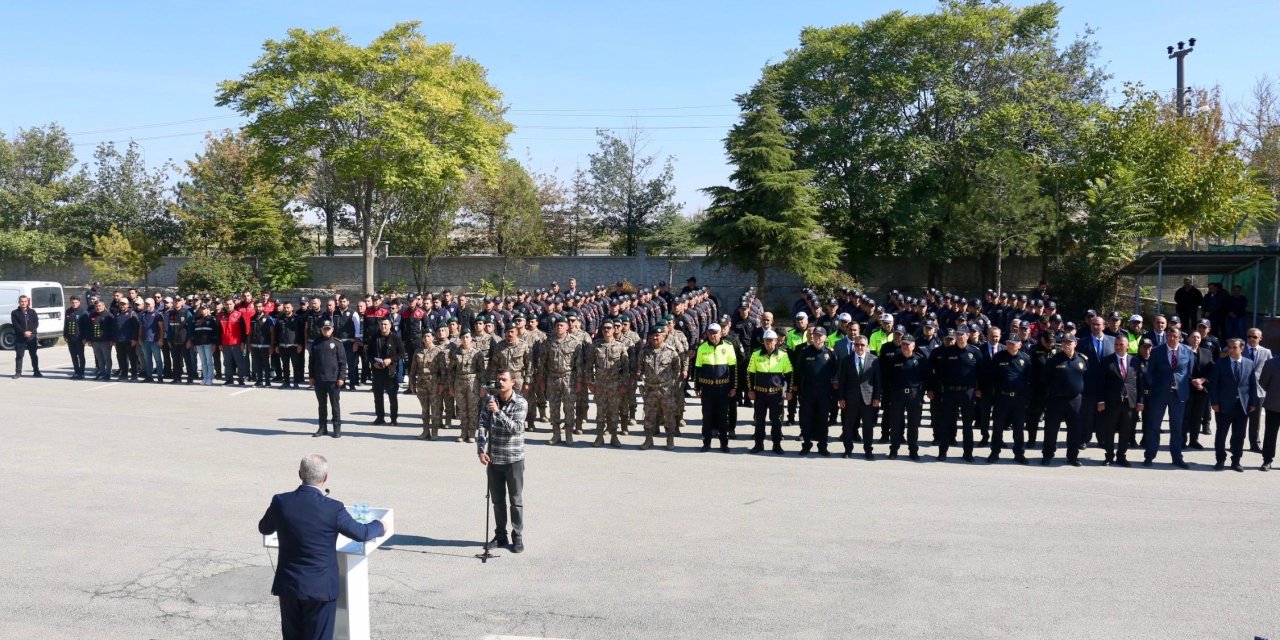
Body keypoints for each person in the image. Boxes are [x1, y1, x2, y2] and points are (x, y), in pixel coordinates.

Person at [258, 454, 385, 640]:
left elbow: (264, 528)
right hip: (320, 589)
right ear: (325, 477)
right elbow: (361, 533)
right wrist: (381, 525)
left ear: (300, 474)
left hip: (289, 586)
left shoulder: (280, 501)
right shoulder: (333, 508)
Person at [477, 370, 528, 553]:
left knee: (515, 500)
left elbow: (515, 429)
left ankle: (517, 536)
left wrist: (497, 412)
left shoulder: (520, 403)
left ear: (513, 382)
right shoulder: (490, 400)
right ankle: (500, 536)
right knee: (497, 501)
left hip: (513, 459)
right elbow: (482, 424)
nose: (500, 382)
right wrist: (481, 449)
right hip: (494, 458)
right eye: (498, 379)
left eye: (504, 379)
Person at [1143, 327, 1192, 468]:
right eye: (1168, 335)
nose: (1171, 338)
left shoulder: (1187, 351)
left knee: (1177, 427)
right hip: (1160, 394)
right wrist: (1157, 386)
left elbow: (1188, 372)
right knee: (1154, 425)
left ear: (1179, 337)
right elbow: (1150, 372)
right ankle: (1149, 456)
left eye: (1174, 336)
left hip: (1179, 394)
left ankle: (1177, 457)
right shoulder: (1157, 351)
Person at [1208, 338, 1259, 472]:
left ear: (1241, 348)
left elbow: (1253, 385)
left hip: (1242, 406)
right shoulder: (1220, 363)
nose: (1231, 350)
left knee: (1239, 435)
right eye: (1229, 347)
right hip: (1223, 405)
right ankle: (1220, 460)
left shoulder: (1249, 364)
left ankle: (1236, 460)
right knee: (1221, 434)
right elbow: (1214, 385)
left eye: (1234, 347)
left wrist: (1253, 402)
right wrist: (1214, 402)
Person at [1041, 335, 1087, 467]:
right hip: (1056, 400)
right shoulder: (1054, 360)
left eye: (1069, 342)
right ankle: (1048, 455)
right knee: (1051, 429)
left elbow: (1087, 377)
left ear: (1075, 343)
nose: (1066, 345)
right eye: (1064, 343)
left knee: (1075, 429)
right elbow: (1045, 379)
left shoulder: (1082, 359)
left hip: (1075, 400)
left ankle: (1072, 456)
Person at [636, 327, 684, 450]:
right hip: (650, 389)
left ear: (664, 336)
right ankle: (648, 439)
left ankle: (670, 439)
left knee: (669, 414)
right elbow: (639, 367)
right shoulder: (645, 351)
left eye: (658, 335)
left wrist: (673, 382)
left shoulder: (671, 351)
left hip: (666, 389)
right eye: (653, 335)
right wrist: (640, 375)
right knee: (649, 415)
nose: (655, 337)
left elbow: (677, 368)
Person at [747, 328, 793, 454]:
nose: (769, 343)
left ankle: (776, 445)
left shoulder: (783, 355)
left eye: (771, 341)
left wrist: (789, 390)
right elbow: (750, 373)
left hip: (776, 394)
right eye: (766, 341)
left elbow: (789, 374)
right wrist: (750, 390)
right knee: (759, 421)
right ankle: (758, 444)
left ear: (776, 341)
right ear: (763, 341)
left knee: (776, 421)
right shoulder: (756, 354)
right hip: (760, 394)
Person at [988, 335, 1032, 464]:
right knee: (998, 427)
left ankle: (1019, 454)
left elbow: (1030, 380)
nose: (1011, 345)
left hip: (1018, 399)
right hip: (1002, 398)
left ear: (1019, 344)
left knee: (1018, 428)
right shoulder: (998, 357)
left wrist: (1026, 398)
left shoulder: (1026, 359)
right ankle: (995, 452)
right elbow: (992, 377)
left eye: (1014, 343)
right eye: (1009, 343)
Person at [882, 334, 927, 460]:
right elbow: (887, 377)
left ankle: (913, 450)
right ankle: (894, 450)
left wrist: (921, 392)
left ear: (913, 346)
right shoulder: (895, 359)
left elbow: (926, 377)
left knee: (913, 425)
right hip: (897, 394)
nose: (905, 346)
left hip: (914, 395)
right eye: (903, 344)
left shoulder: (920, 360)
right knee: (895, 424)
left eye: (907, 344)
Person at [695, 322, 738, 452]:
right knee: (707, 416)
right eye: (711, 332)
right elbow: (697, 368)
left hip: (723, 387)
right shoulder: (702, 347)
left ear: (720, 334)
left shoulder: (728, 346)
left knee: (722, 417)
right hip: (707, 388)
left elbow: (733, 368)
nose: (713, 335)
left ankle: (724, 443)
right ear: (707, 333)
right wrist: (697, 387)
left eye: (715, 332)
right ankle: (706, 443)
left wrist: (733, 387)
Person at [836, 335, 880, 460]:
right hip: (850, 399)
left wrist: (877, 398)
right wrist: (841, 398)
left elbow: (878, 381)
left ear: (867, 346)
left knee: (867, 427)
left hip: (868, 399)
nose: (859, 347)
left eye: (862, 345)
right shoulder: (846, 360)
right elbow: (842, 380)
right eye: (857, 344)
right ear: (854, 345)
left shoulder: (874, 360)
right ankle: (848, 450)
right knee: (848, 426)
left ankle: (868, 451)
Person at [309, 321, 347, 438]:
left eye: (328, 329)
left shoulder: (337, 343)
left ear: (332, 329)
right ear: (321, 329)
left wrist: (341, 377)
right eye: (324, 329)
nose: (326, 331)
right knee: (322, 405)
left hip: (333, 380)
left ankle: (336, 428)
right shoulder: (316, 343)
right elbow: (311, 362)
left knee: (335, 405)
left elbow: (342, 362)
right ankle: (322, 428)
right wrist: (311, 376)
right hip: (319, 379)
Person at [409, 332, 447, 440]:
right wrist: (412, 383)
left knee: (435, 409)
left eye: (429, 336)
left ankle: (434, 432)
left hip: (434, 383)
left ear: (433, 338)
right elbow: (413, 369)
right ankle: (425, 431)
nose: (426, 338)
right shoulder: (418, 351)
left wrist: (442, 384)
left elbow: (443, 370)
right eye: (424, 336)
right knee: (424, 409)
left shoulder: (438, 351)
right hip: (421, 383)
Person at [1243, 328, 1272, 453]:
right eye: (1249, 336)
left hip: (1259, 391)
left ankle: (1255, 443)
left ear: (1260, 338)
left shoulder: (1266, 352)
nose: (1251, 339)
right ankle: (1236, 442)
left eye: (1254, 337)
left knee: (1256, 420)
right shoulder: (1240, 349)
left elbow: (1271, 370)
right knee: (1240, 419)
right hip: (1242, 391)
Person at [1256, 356, 1280, 471]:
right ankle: (1267, 460)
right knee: (1270, 434)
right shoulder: (1271, 363)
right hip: (1274, 405)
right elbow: (1263, 382)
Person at [10, 294, 41, 378]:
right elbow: (15, 324)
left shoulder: (32, 312)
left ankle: (36, 371)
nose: (23, 303)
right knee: (19, 355)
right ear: (19, 302)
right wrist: (24, 332)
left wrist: (30, 332)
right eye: (21, 301)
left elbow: (36, 323)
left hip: (32, 336)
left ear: (28, 302)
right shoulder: (14, 313)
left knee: (33, 354)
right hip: (20, 337)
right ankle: (18, 372)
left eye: (25, 301)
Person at [63, 296, 87, 379]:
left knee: (80, 355)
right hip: (70, 338)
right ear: (70, 303)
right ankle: (76, 372)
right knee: (73, 356)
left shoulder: (83, 312)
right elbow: (66, 324)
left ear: (79, 302)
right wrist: (65, 335)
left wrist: (85, 338)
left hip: (79, 338)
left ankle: (82, 372)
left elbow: (86, 327)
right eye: (72, 302)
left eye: (76, 302)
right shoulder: (68, 311)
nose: (74, 304)